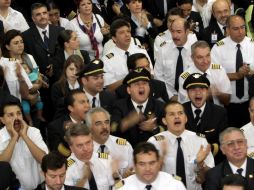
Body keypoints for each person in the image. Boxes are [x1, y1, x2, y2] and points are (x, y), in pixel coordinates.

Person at [148, 101, 215, 189]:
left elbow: (203, 179)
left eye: (180, 113)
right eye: (172, 114)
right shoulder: (154, 143)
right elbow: (148, 176)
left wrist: (201, 163)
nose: (177, 117)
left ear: (186, 118)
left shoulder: (200, 141)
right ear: (164, 121)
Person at [211, 15, 253, 128]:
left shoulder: (252, 44)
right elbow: (214, 77)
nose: (240, 31)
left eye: (242, 27)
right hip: (227, 105)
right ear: (228, 29)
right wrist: (237, 75)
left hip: (250, 104)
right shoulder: (218, 48)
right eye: (236, 28)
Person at [0, 100, 48, 190]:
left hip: (37, 188)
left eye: (19, 113)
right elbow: (1, 165)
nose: (16, 118)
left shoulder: (33, 132)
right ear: (2, 120)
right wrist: (14, 138)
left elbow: (45, 160)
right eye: (11, 115)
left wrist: (25, 136)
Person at [111, 68, 165, 147]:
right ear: (129, 90)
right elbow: (112, 129)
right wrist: (127, 122)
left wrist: (154, 128)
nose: (141, 87)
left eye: (144, 83)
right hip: (127, 153)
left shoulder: (160, 106)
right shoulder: (119, 106)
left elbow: (168, 129)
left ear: (149, 87)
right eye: (136, 84)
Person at [182, 73, 228, 164]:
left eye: (202, 89)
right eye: (193, 89)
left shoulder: (219, 112)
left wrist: (208, 152)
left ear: (207, 92)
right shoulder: (180, 111)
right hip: (185, 160)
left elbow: (224, 141)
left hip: (213, 160)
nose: (198, 93)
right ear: (187, 93)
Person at [101, 18, 153, 91]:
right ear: (114, 38)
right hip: (122, 96)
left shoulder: (141, 50)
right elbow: (109, 88)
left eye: (128, 31)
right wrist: (130, 77)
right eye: (122, 32)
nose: (127, 35)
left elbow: (152, 75)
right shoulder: (107, 60)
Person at [178, 40, 231, 106]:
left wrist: (218, 93)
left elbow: (227, 101)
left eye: (207, 56)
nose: (205, 61)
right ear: (192, 58)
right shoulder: (185, 77)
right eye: (200, 57)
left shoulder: (219, 70)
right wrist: (205, 94)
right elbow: (185, 105)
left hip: (217, 113)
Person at [114, 142, 186, 190]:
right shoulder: (123, 188)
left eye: (152, 163)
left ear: (158, 163)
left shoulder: (174, 185)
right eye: (142, 164)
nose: (147, 169)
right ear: (135, 165)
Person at [154, 18, 195, 101]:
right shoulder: (163, 49)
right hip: (166, 97)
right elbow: (158, 76)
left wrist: (186, 97)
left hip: (191, 98)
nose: (175, 35)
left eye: (179, 32)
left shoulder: (195, 50)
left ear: (187, 32)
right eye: (172, 31)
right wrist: (171, 96)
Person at [64, 123, 115, 189]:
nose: (85, 149)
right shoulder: (66, 169)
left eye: (88, 142)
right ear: (71, 148)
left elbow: (117, 186)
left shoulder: (105, 159)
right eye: (80, 145)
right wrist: (84, 179)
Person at [86, 107, 133, 176]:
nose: (104, 127)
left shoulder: (124, 146)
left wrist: (128, 175)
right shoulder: (85, 150)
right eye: (98, 123)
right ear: (89, 128)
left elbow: (134, 171)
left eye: (107, 122)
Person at [22, 2, 64, 78]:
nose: (42, 16)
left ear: (48, 14)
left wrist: (54, 66)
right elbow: (26, 58)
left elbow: (64, 53)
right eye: (38, 14)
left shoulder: (60, 31)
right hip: (39, 79)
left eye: (44, 13)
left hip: (60, 77)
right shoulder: (26, 36)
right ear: (33, 18)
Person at [47, 89, 90, 157]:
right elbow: (60, 152)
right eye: (82, 102)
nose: (87, 105)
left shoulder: (93, 123)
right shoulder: (56, 127)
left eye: (88, 101)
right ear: (71, 108)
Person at [0, 29, 34, 101]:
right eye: (16, 43)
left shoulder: (15, 62)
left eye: (21, 42)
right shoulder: (4, 62)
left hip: (16, 103)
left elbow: (28, 89)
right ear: (7, 47)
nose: (20, 45)